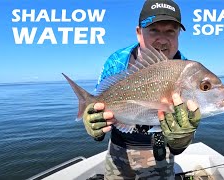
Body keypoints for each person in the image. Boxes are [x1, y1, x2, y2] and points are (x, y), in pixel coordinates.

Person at [83, 0, 201, 179]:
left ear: (178, 35)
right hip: (119, 147)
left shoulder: (186, 70)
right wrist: (93, 122)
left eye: (170, 31)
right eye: (154, 30)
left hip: (159, 147)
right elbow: (98, 103)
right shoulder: (116, 62)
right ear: (139, 33)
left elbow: (180, 135)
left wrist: (181, 140)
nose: (162, 40)